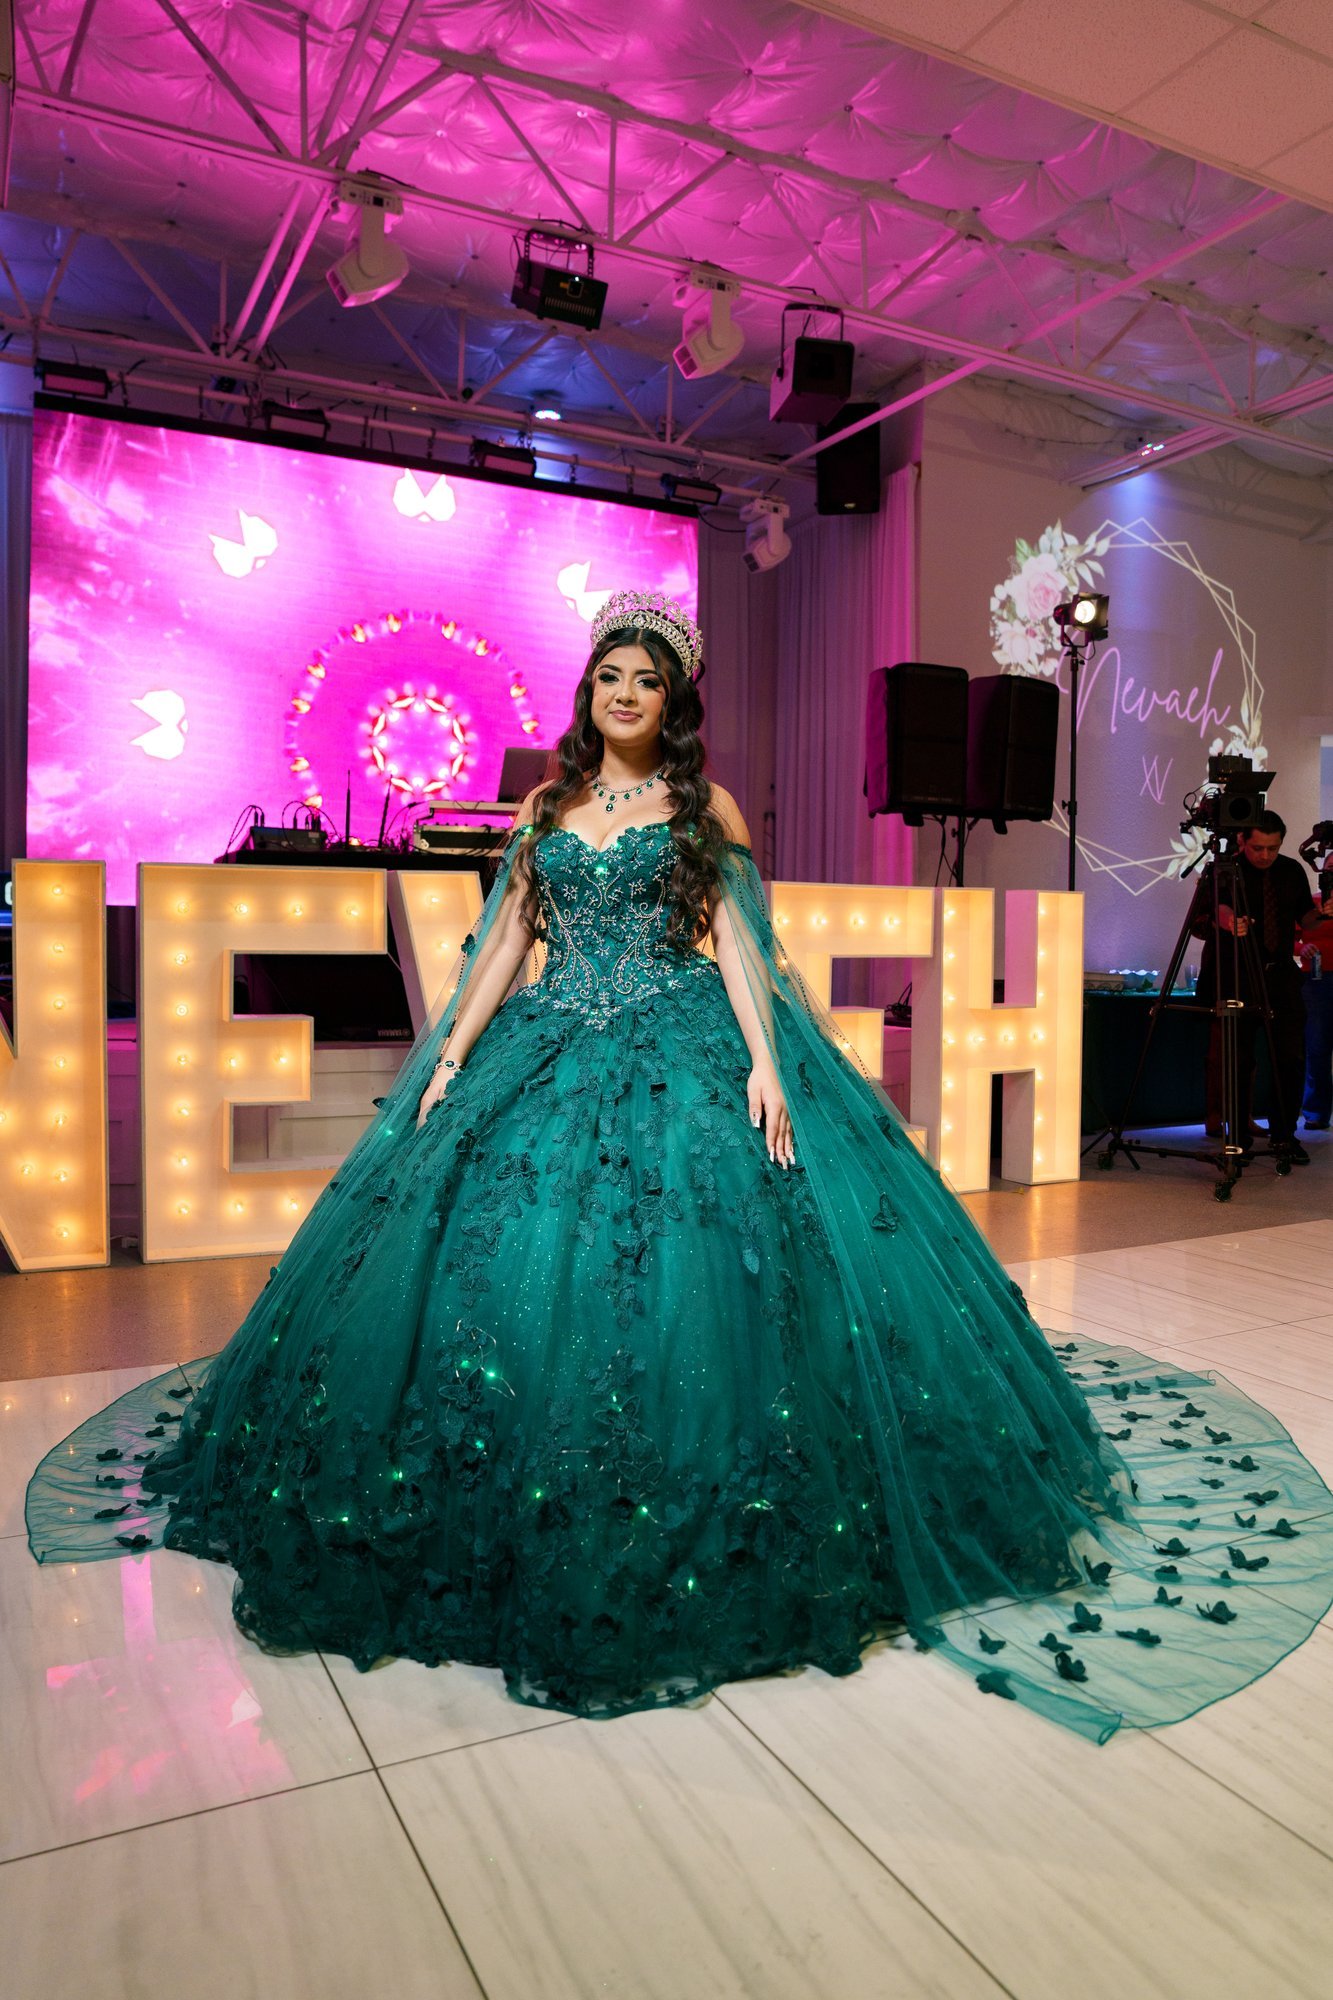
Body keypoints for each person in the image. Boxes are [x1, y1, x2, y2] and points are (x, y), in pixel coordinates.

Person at [26, 591, 1333, 1744]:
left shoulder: (703, 807)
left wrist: (768, 1065)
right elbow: (498, 947)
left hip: (681, 1043)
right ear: (588, 688)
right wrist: (445, 1055)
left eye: (649, 679)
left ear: (676, 696)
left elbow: (740, 948)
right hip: (546, 1045)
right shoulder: (545, 806)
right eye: (611, 676)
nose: (628, 695)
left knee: (701, 1268)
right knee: (506, 1268)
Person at [1189, 812, 1320, 1156]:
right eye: (1258, 848)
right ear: (1243, 841)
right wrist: (1229, 920)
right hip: (1236, 975)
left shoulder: (1291, 870)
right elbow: (1206, 915)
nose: (1265, 856)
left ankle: (1285, 1135)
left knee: (1290, 1058)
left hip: (1281, 975)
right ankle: (1237, 1139)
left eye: (1273, 848)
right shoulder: (1224, 870)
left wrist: (1323, 913)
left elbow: (1305, 916)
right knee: (1238, 1060)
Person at [1297, 872, 1333, 1129]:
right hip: (1315, 979)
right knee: (1317, 1045)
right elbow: (1287, 939)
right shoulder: (1310, 904)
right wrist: (1302, 949)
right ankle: (1315, 1112)